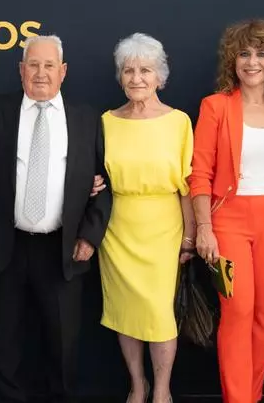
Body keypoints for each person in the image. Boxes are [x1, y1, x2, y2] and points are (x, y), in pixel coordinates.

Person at [0, 34, 112, 403]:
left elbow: (104, 183)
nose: (40, 73)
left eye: (49, 65)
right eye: (33, 64)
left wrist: (90, 236)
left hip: (63, 247)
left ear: (63, 71)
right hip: (7, 246)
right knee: (3, 340)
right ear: (21, 69)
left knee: (63, 342)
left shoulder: (86, 118)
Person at [189, 19, 264, 403]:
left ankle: (253, 396)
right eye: (244, 54)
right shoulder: (215, 106)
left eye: (261, 54)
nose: (252, 62)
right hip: (227, 222)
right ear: (232, 60)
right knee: (236, 310)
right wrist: (204, 228)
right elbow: (199, 173)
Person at [98, 33, 195, 403]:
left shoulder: (179, 122)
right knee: (126, 312)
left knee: (158, 314)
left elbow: (187, 185)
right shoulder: (106, 122)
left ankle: (163, 391)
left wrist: (190, 237)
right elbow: (93, 173)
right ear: (120, 77)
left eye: (145, 70)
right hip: (117, 230)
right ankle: (137, 386)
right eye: (129, 71)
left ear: (160, 77)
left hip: (164, 229)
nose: (136, 78)